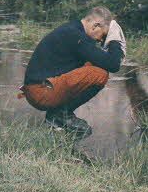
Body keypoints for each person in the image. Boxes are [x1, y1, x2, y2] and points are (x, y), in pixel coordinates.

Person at [21, 7, 126, 138]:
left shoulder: (73, 30)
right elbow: (113, 65)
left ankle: (59, 114)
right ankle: (60, 114)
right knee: (100, 74)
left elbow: (103, 61)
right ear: (95, 26)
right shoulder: (76, 36)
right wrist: (115, 40)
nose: (101, 41)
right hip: (40, 92)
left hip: (40, 87)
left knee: (93, 65)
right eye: (104, 35)